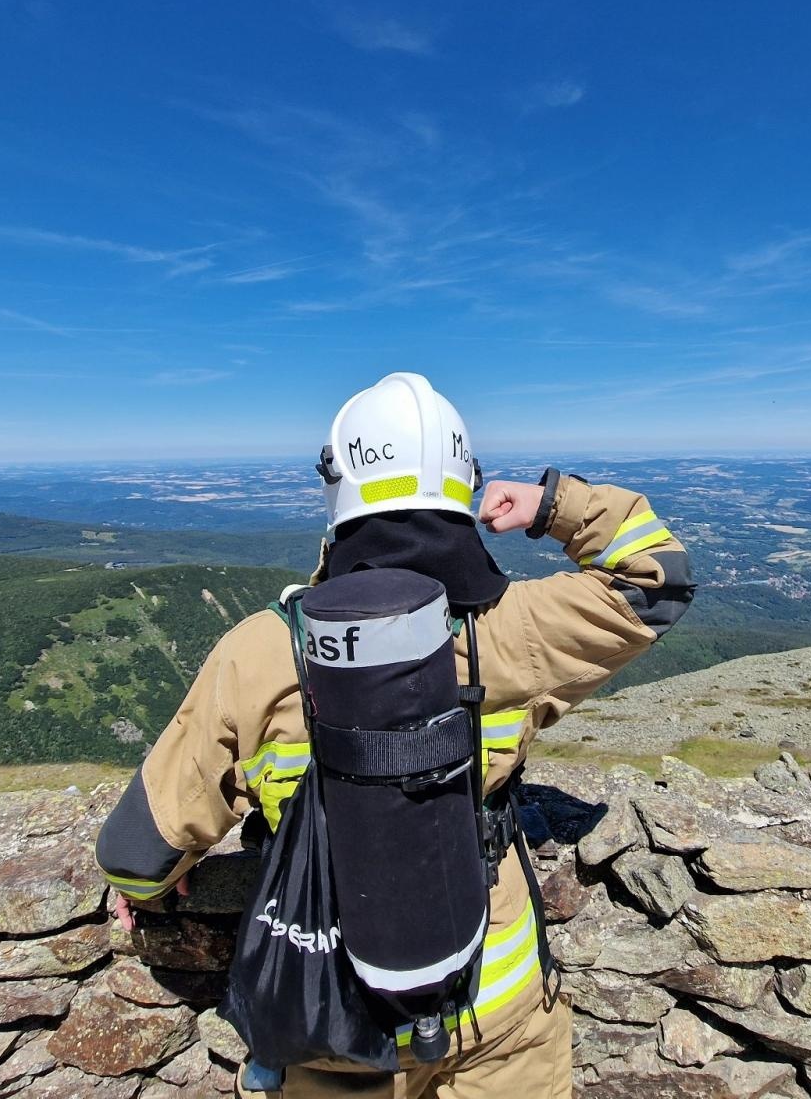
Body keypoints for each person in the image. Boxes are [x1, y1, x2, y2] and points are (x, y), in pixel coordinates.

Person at [96, 372, 695, 1099]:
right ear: (461, 481)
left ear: (337, 485)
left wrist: (149, 883)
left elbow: (136, 853)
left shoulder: (262, 652)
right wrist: (551, 502)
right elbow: (659, 579)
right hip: (495, 1007)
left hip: (335, 1025)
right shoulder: (513, 630)